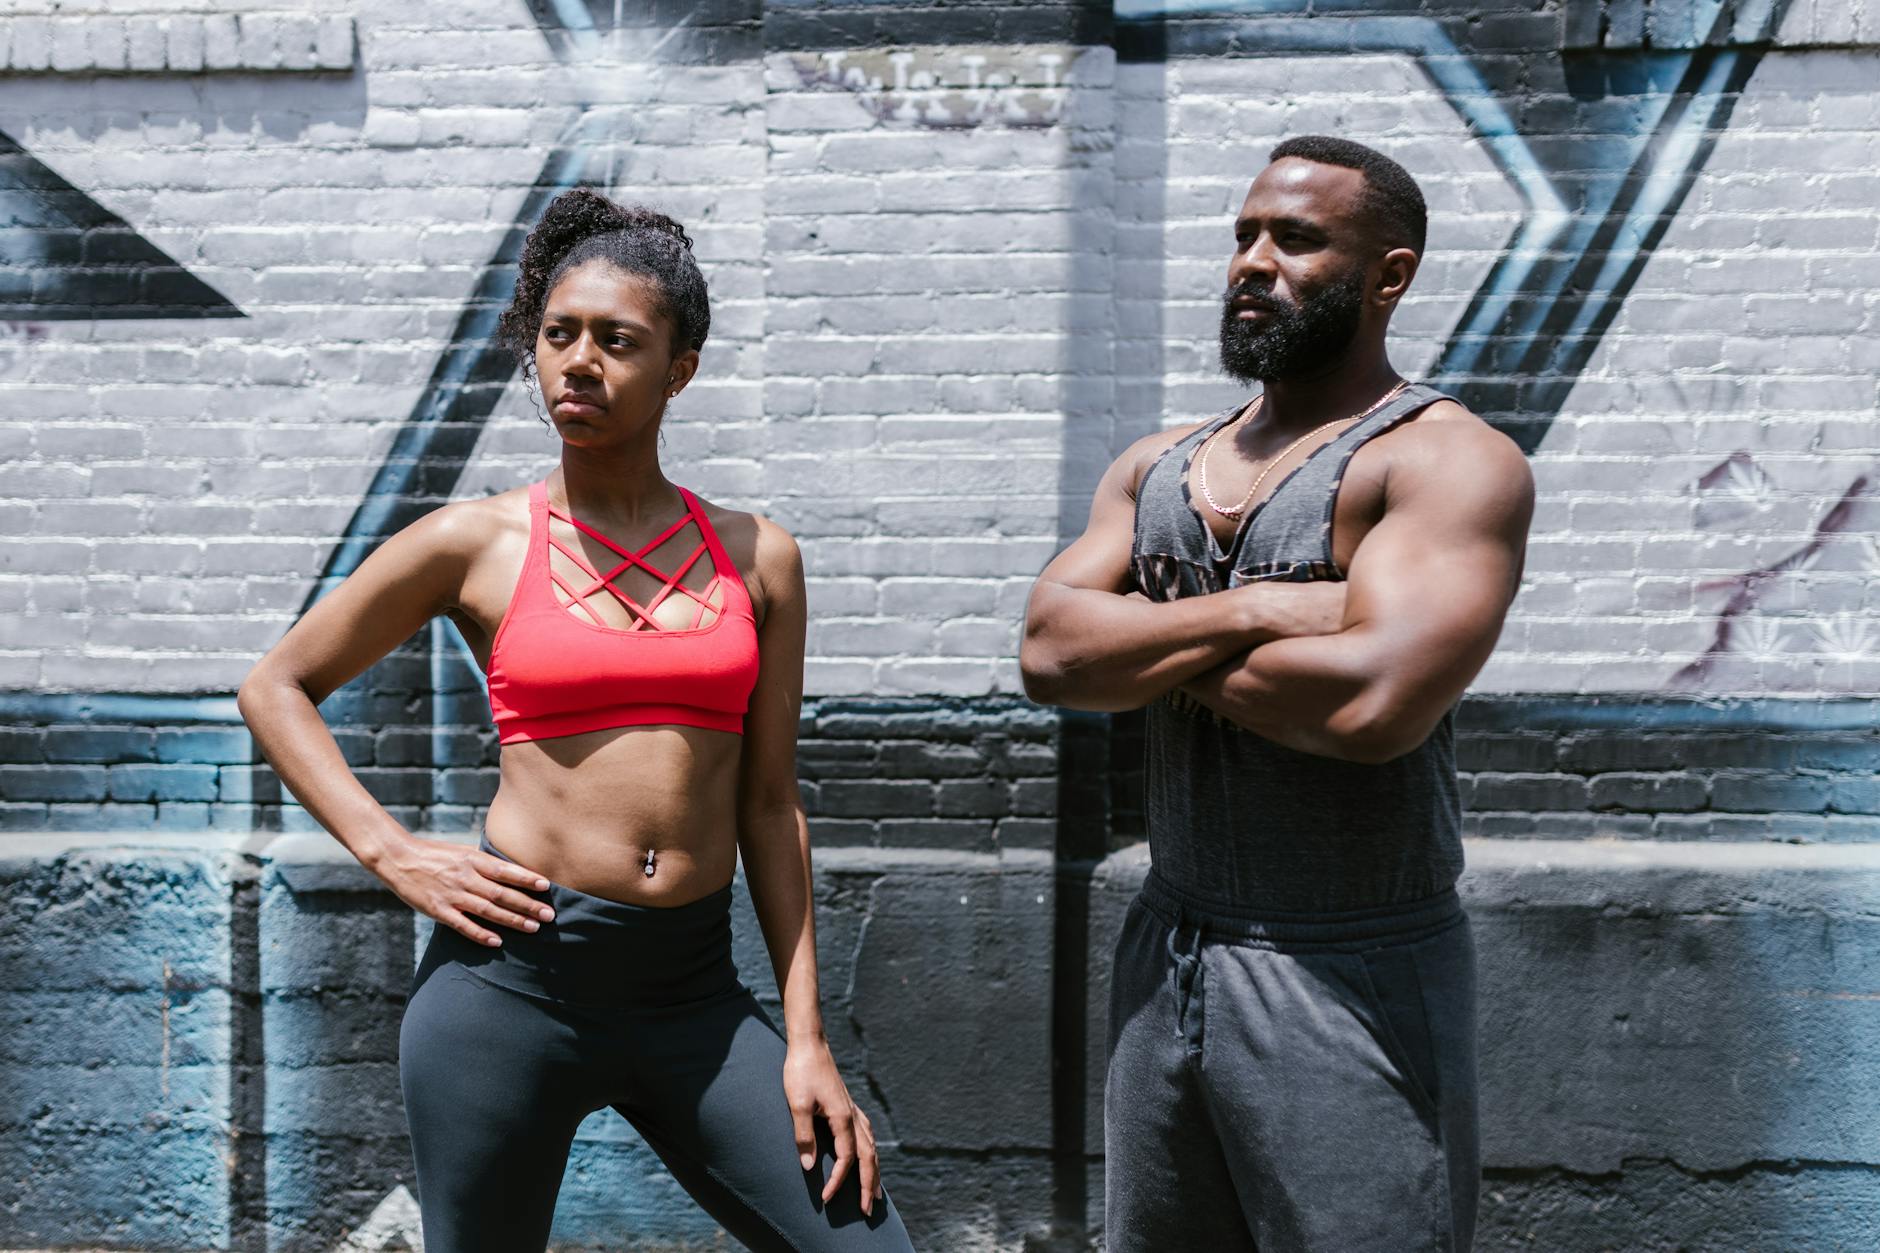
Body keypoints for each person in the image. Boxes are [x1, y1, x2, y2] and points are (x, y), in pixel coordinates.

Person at [238, 188, 915, 1253]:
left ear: (678, 368)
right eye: (558, 334)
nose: (578, 362)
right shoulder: (475, 541)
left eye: (616, 339)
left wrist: (804, 1039)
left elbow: (770, 800)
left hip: (691, 993)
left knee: (863, 1242)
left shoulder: (759, 556)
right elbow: (275, 685)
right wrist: (395, 853)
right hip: (510, 984)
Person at [1020, 136, 1534, 1252]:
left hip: (1347, 959)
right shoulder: (1157, 463)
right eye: (1243, 235)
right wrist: (1255, 610)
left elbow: (1368, 704)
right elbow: (1049, 654)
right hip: (1168, 939)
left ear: (1385, 277)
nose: (1252, 261)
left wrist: (1143, 637)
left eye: (1294, 239)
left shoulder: (1444, 462)